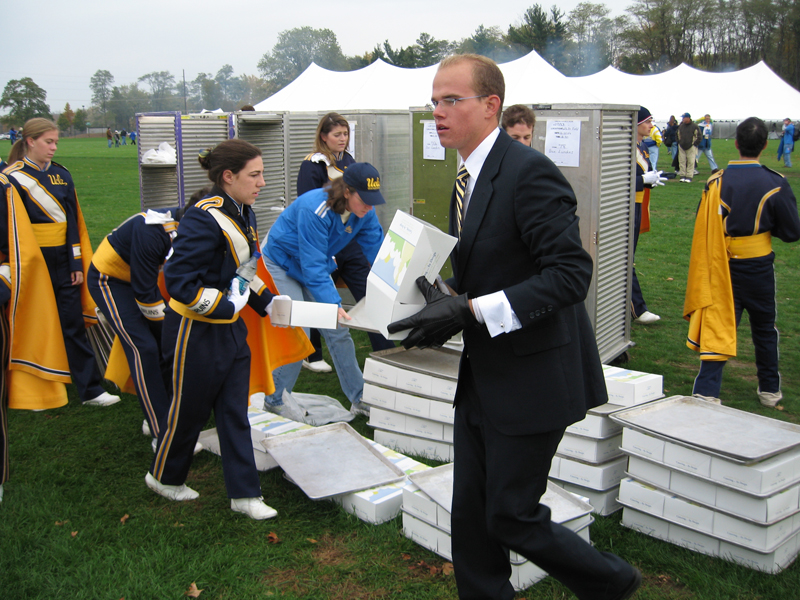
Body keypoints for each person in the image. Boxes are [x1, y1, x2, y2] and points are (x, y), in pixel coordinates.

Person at [388, 54, 641, 600]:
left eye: (451, 100)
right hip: (485, 375)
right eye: (434, 100)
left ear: (490, 105)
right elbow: (493, 265)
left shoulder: (528, 172)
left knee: (510, 514)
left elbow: (571, 275)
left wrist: (470, 309)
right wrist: (439, 295)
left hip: (534, 377)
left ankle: (612, 581)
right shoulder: (468, 173)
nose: (438, 112)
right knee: (472, 519)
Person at [147, 139, 286, 520]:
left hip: (229, 326)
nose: (262, 182)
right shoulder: (202, 216)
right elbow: (178, 280)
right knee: (189, 411)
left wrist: (265, 303)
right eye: (254, 175)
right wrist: (226, 306)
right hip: (194, 329)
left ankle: (244, 494)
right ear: (228, 176)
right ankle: (164, 477)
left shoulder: (244, 211)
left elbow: (243, 270)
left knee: (234, 410)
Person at [4, 118, 120, 408]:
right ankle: (34, 390)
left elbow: (73, 225)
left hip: (63, 261)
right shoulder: (11, 178)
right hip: (31, 263)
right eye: (48, 142)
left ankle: (90, 389)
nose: (54, 147)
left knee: (72, 324)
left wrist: (76, 264)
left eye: (56, 142)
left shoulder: (62, 175)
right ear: (30, 142)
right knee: (35, 325)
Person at [685, 117, 800, 407]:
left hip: (721, 266)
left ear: (736, 144)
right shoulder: (775, 182)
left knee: (719, 323)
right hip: (759, 266)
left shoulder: (716, 181)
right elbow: (791, 232)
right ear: (764, 145)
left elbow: (705, 224)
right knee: (764, 327)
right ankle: (769, 390)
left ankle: (707, 390)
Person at [263, 162, 385, 418]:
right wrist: (333, 303)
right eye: (365, 199)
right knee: (300, 329)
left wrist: (391, 283)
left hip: (312, 264)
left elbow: (378, 250)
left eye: (374, 200)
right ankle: (274, 399)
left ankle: (359, 397)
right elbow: (313, 267)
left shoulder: (365, 210)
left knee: (339, 331)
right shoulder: (314, 209)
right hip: (281, 262)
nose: (370, 207)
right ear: (347, 192)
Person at [296, 112, 394, 373]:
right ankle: (311, 353)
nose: (343, 139)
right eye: (337, 134)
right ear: (323, 136)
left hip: (348, 244)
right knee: (316, 297)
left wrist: (389, 273)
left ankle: (386, 352)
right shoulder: (312, 164)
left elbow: (372, 234)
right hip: (321, 242)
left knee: (369, 294)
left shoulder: (350, 162)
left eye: (345, 133)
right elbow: (312, 207)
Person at [88, 203, 189, 448]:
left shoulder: (188, 223)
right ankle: (161, 432)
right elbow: (145, 292)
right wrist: (165, 330)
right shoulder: (152, 231)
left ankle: (161, 412)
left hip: (142, 280)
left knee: (164, 347)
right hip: (110, 280)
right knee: (144, 348)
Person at [632, 107, 666, 325]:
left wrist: (651, 179)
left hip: (638, 204)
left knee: (629, 257)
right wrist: (642, 180)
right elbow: (617, 180)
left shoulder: (642, 146)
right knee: (627, 259)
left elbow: (646, 171)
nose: (650, 125)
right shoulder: (625, 147)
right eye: (647, 121)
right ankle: (637, 308)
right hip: (625, 206)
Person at [677, 112, 700, 183]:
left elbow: (699, 136)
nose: (682, 119)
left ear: (688, 118)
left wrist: (694, 144)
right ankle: (682, 176)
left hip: (691, 147)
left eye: (683, 118)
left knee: (691, 161)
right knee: (682, 161)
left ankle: (689, 176)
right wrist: (679, 142)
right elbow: (677, 134)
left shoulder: (694, 126)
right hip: (682, 146)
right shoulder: (681, 126)